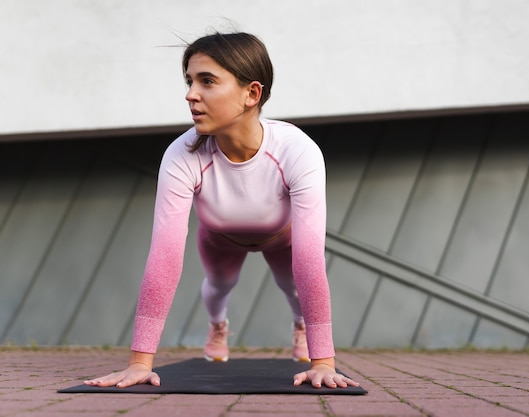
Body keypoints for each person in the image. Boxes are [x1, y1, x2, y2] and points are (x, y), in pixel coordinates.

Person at [83, 31, 359, 389]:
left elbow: (309, 259)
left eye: (207, 81)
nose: (190, 94)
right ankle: (218, 325)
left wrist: (324, 362)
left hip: (280, 237)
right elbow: (165, 256)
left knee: (292, 285)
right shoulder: (182, 155)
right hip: (220, 239)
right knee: (218, 285)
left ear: (251, 94)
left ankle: (301, 326)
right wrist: (139, 363)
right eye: (189, 81)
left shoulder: (297, 151)